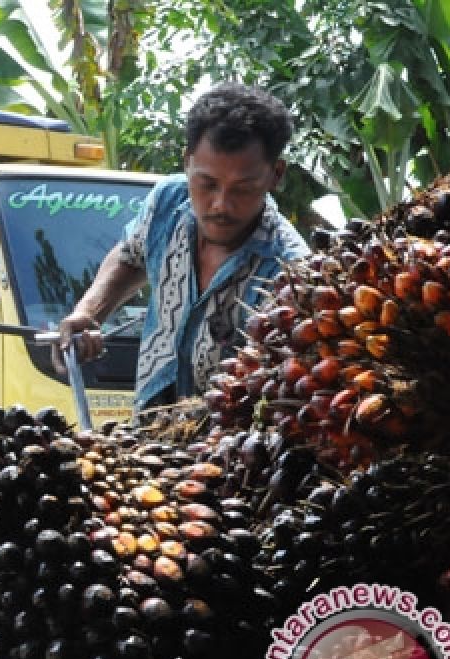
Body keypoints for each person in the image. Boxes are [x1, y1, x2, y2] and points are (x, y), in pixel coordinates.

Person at [56, 82, 310, 412]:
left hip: (223, 452)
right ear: (187, 161)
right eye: (207, 184)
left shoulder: (291, 273)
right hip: (147, 434)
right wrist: (88, 313)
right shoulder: (168, 201)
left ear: (275, 174)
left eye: (242, 189)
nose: (221, 205)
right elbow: (131, 257)